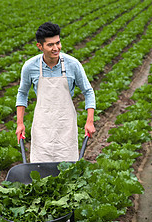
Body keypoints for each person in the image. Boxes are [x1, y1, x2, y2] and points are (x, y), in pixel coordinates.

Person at [15, 22, 96, 162]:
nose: (56, 48)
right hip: (42, 126)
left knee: (67, 169)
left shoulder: (73, 64)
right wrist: (20, 123)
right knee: (40, 168)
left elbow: (88, 91)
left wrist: (90, 121)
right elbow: (22, 93)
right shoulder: (30, 66)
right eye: (50, 45)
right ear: (40, 46)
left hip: (66, 125)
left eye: (58, 43)